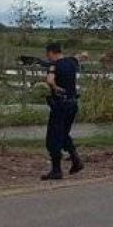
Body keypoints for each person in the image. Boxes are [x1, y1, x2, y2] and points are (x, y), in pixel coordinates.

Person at [41, 42, 83, 180]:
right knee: (64, 134)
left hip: (60, 105)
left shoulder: (54, 66)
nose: (47, 58)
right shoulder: (72, 62)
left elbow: (49, 80)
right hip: (73, 104)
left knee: (53, 138)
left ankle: (56, 170)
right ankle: (76, 160)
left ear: (51, 52)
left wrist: (55, 87)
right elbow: (80, 56)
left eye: (48, 55)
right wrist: (83, 55)